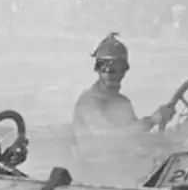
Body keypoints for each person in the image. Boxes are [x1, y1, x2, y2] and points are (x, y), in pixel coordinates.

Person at [71, 33, 173, 181]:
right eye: (107, 68)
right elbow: (110, 138)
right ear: (98, 70)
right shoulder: (88, 104)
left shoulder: (122, 102)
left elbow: (135, 139)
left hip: (122, 168)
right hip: (96, 177)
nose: (113, 74)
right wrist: (151, 121)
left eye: (119, 68)